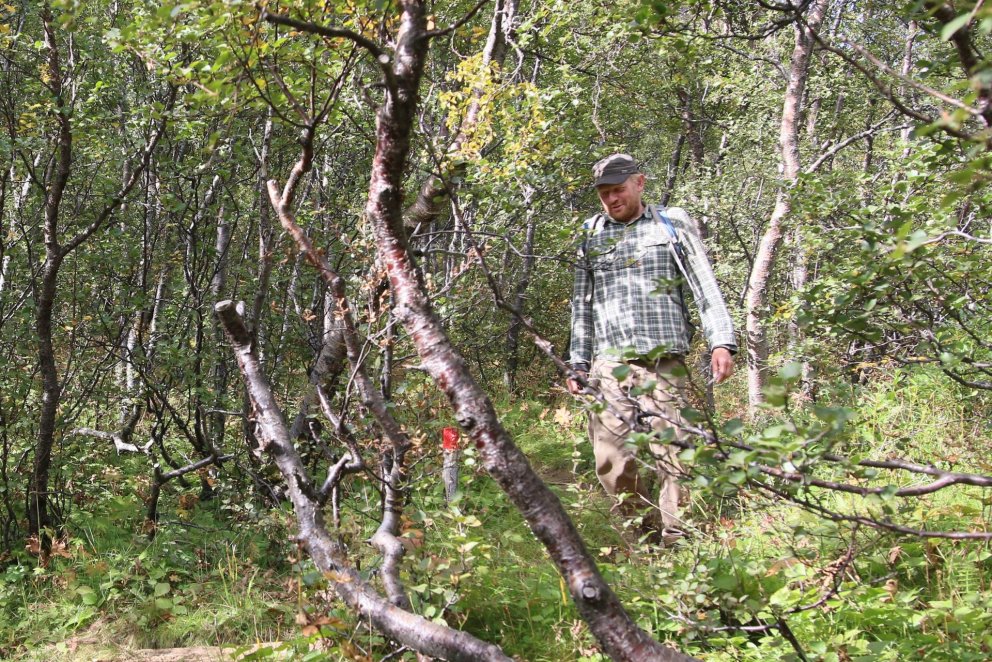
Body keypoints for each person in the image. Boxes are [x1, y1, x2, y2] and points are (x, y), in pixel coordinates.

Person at [566, 153, 737, 543]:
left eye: (618, 190)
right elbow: (582, 304)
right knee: (612, 464)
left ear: (639, 183)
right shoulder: (590, 233)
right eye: (604, 194)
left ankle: (680, 542)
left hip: (665, 365)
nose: (611, 200)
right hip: (609, 368)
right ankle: (645, 540)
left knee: (677, 458)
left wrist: (721, 341)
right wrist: (577, 361)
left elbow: (703, 285)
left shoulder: (671, 223)